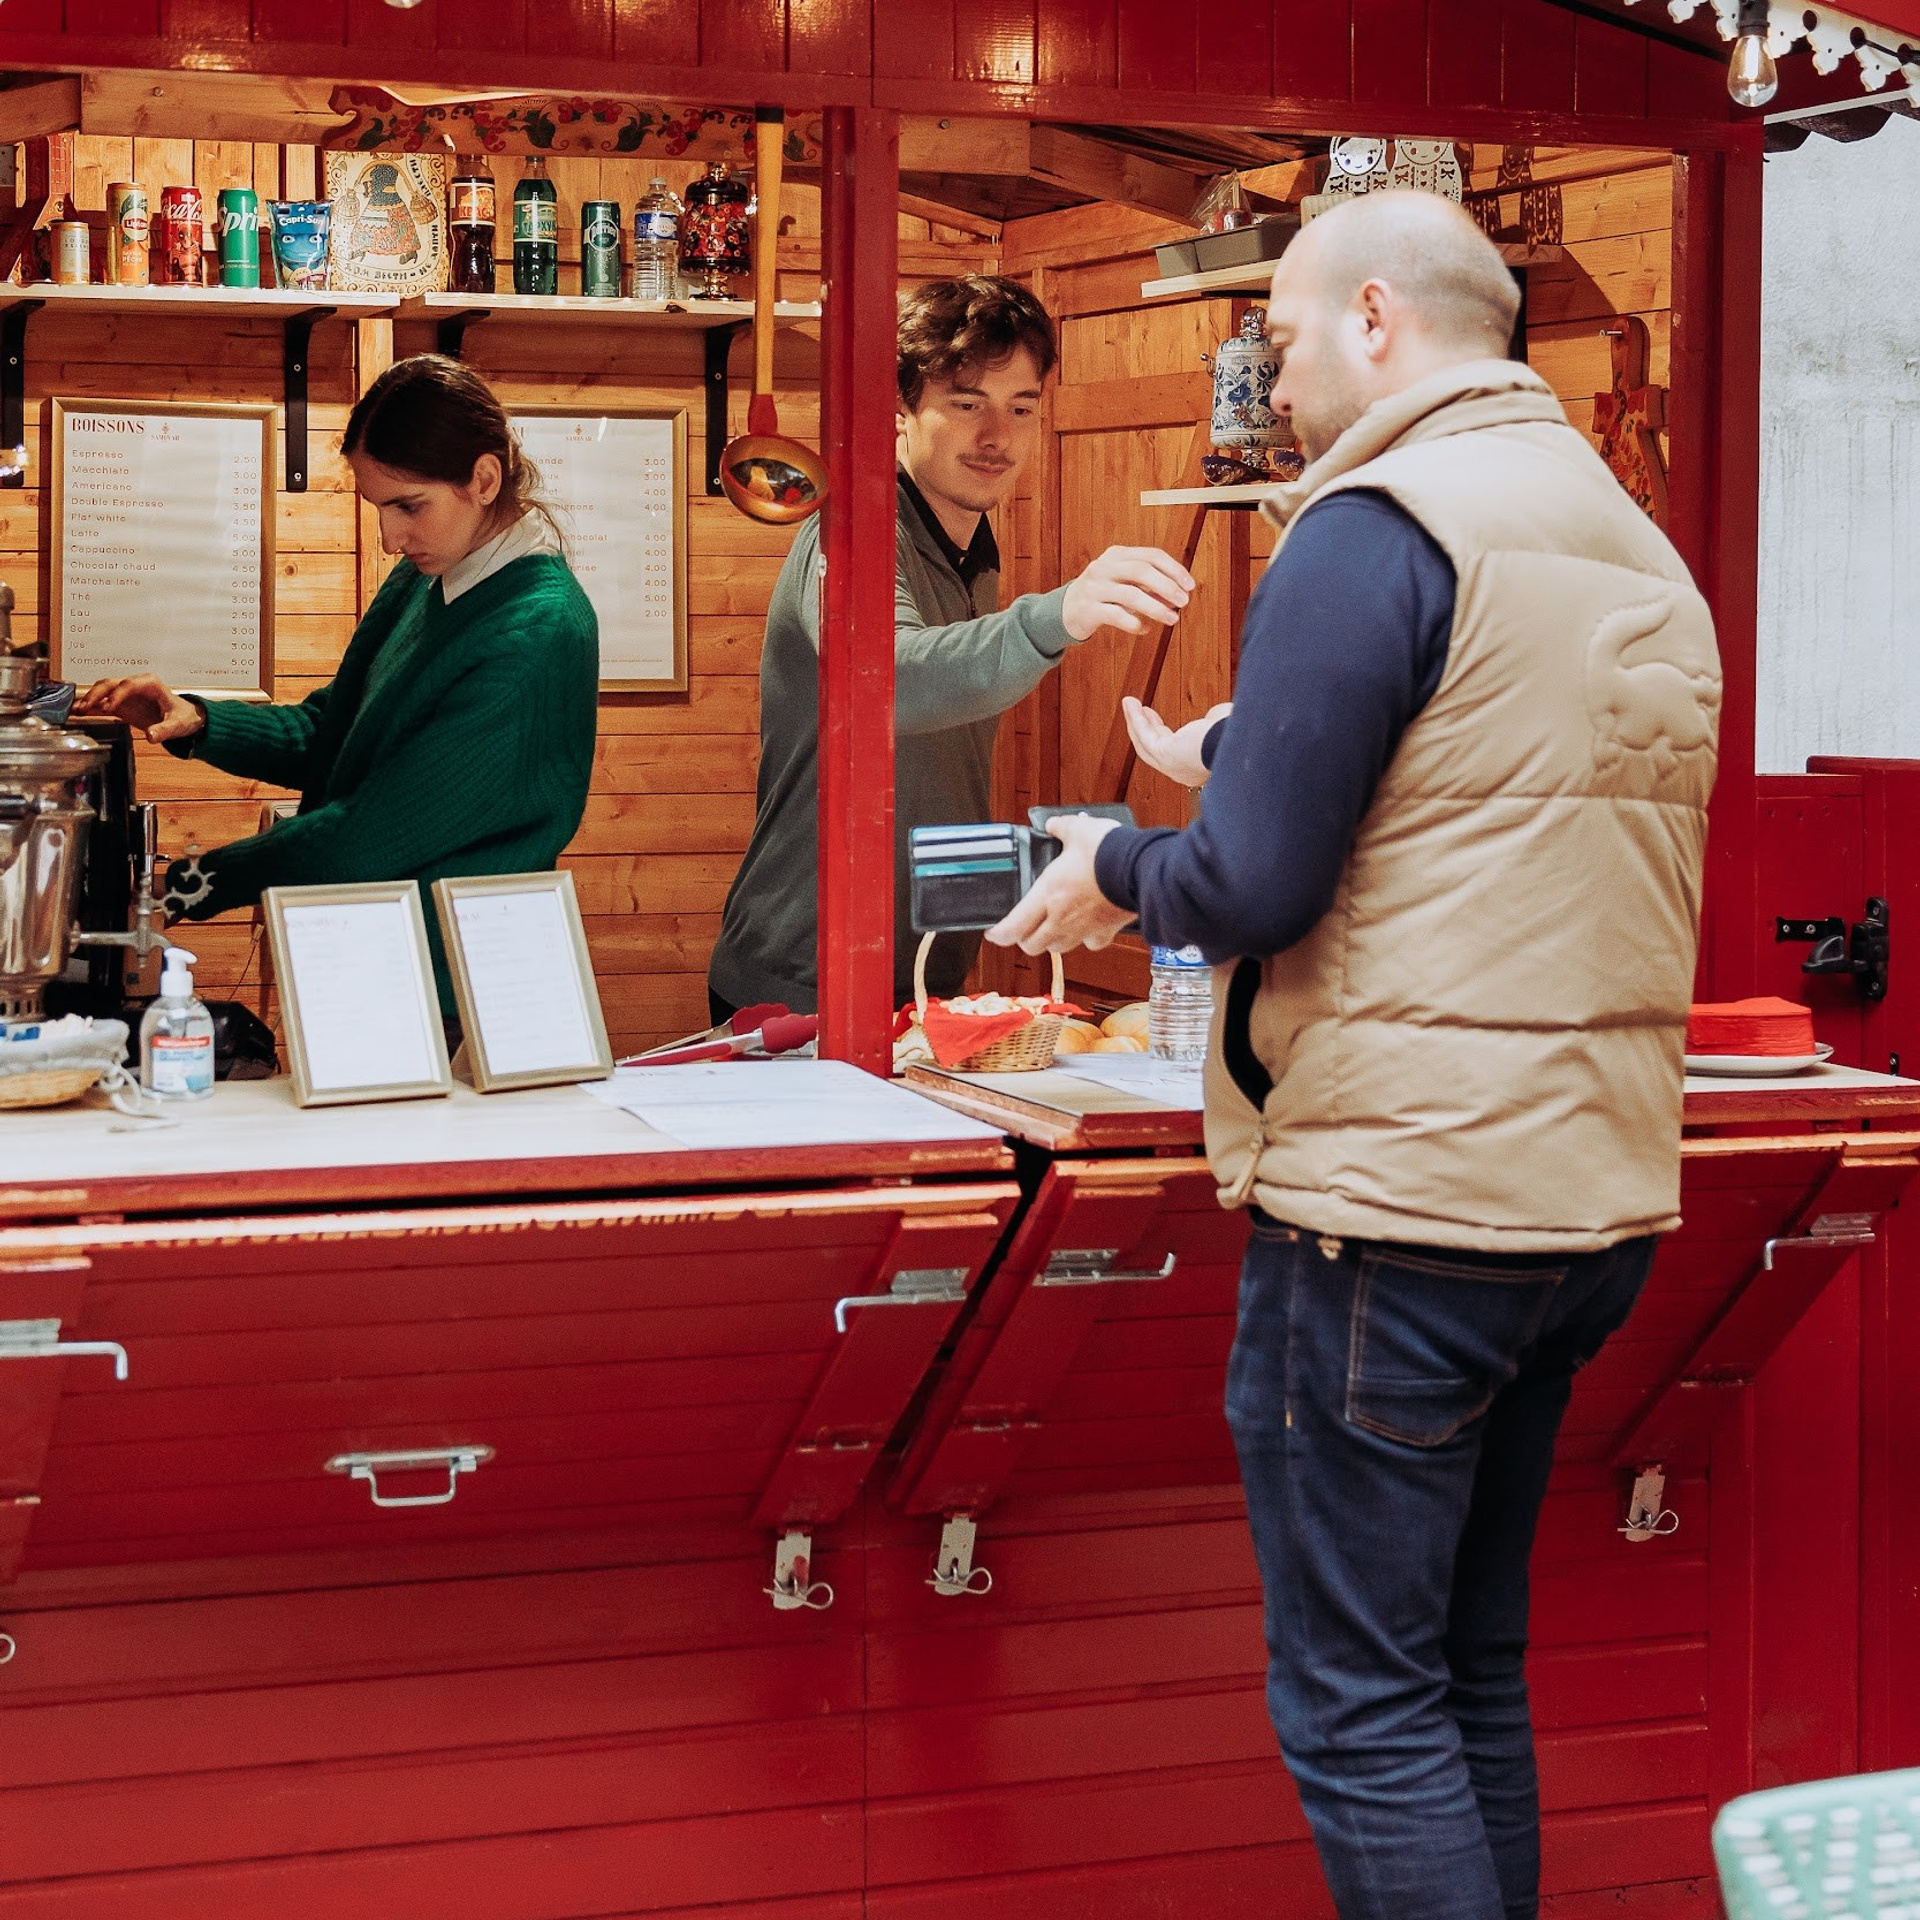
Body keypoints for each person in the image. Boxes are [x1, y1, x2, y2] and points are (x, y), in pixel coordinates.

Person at [989, 190, 1722, 1920]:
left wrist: (1112, 867)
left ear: (1380, 318)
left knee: (1360, 1709)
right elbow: (1490, 800)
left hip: (1400, 1204)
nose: (1280, 386)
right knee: (1466, 1676)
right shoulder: (1630, 537)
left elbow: (1250, 881)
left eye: (1290, 342)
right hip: (1587, 1199)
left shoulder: (1375, 520)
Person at [707, 273, 1195, 1021]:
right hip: (803, 974)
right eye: (966, 404)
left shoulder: (973, 544)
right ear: (901, 411)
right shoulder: (853, 534)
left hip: (923, 971)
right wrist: (1057, 614)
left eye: (1021, 408)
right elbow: (893, 684)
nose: (996, 436)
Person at [76, 354, 599, 1021]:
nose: (389, 538)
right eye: (380, 508)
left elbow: (373, 835)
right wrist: (200, 722)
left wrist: (184, 885)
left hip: (452, 986)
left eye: (409, 506)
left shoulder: (537, 630)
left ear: (485, 478)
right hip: (371, 948)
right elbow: (337, 732)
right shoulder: (430, 574)